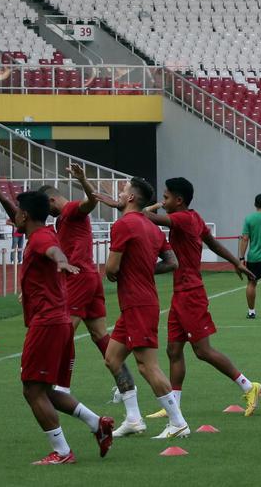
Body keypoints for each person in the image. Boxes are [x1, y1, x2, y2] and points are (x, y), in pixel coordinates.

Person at [3, 166, 145, 438]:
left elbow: (88, 203)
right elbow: (29, 225)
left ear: (53, 202)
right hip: (89, 276)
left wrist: (81, 180)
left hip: (78, 278)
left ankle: (60, 390)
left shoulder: (67, 211)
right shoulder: (56, 223)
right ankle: (134, 412)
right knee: (103, 341)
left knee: (62, 331)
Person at [128, 178, 261, 421]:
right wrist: (236, 262)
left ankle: (248, 386)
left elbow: (145, 217)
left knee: (202, 351)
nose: (163, 200)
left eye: (166, 197)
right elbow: (212, 243)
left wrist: (148, 207)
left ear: (179, 200)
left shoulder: (182, 218)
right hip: (181, 293)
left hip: (191, 293)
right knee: (173, 350)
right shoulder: (195, 217)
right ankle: (173, 406)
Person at [3, 189, 115, 464]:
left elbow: (52, 251)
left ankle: (63, 452)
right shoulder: (41, 230)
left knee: (32, 390)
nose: (14, 216)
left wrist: (62, 261)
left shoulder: (41, 237)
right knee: (46, 390)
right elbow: (36, 234)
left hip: (48, 323)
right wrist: (0, 198)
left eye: (17, 212)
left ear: (25, 215)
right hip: (59, 320)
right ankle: (97, 424)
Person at [101, 177, 190, 440]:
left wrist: (123, 271)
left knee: (147, 366)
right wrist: (145, 269)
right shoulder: (151, 227)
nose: (120, 192)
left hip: (138, 303)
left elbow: (112, 269)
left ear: (130, 198)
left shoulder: (123, 225)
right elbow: (172, 262)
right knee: (112, 358)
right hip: (138, 302)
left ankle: (178, 422)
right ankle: (133, 418)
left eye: (123, 189)